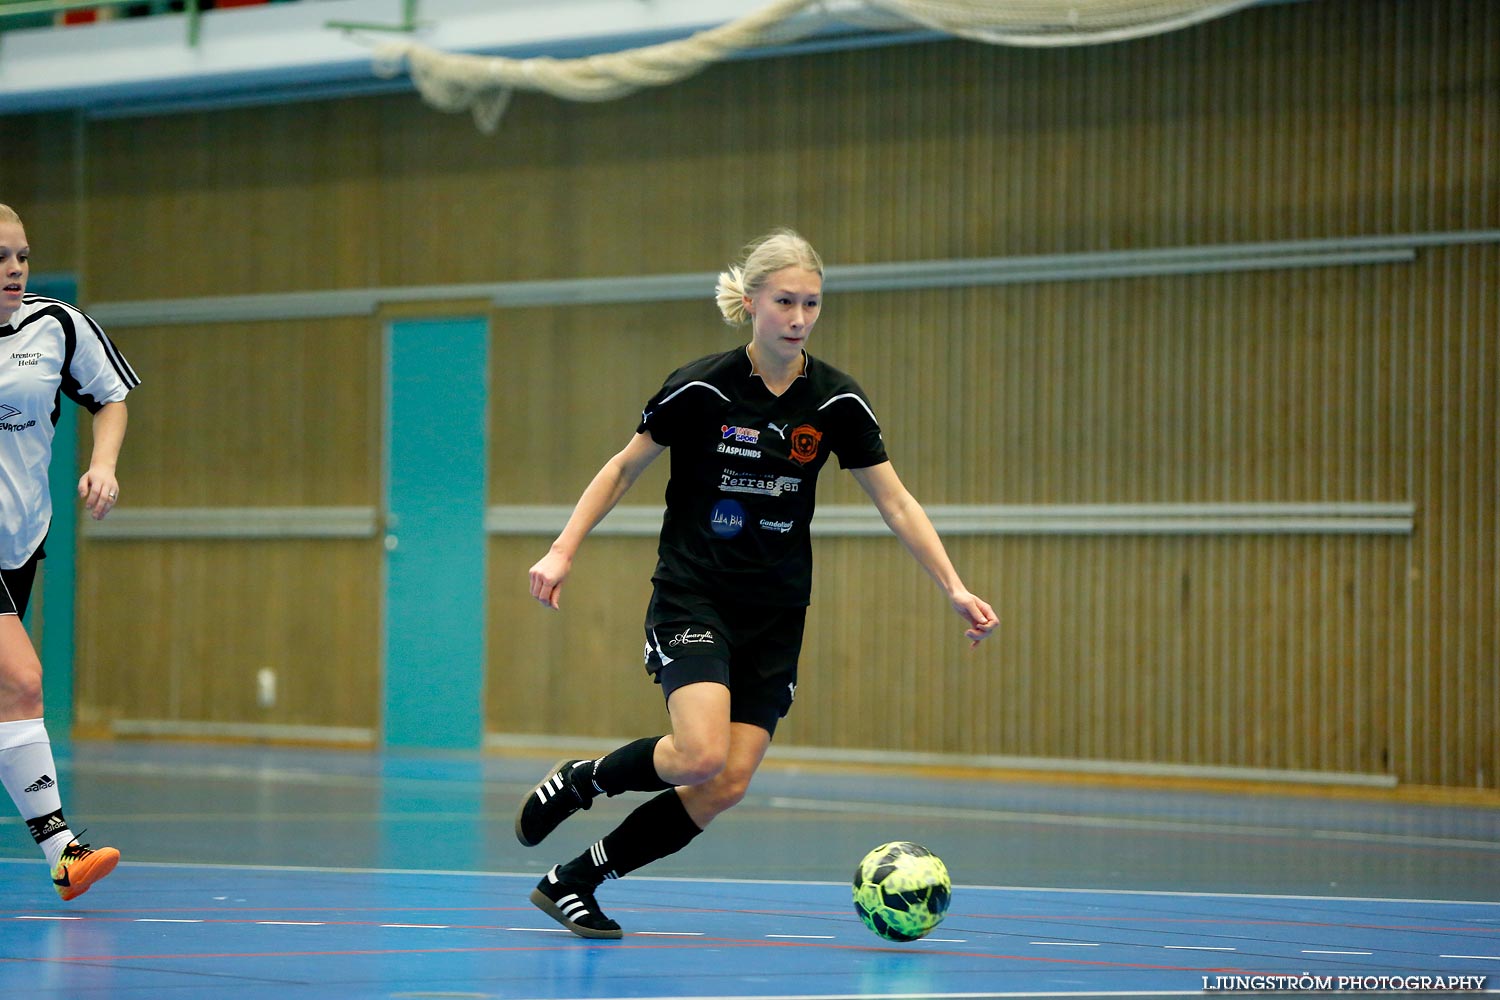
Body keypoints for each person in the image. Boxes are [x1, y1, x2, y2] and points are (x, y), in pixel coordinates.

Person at [517, 228, 997, 939]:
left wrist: (953, 585)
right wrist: (562, 551)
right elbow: (622, 468)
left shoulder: (836, 403)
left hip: (775, 613)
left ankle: (574, 880)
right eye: (784, 302)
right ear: (750, 304)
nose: (799, 317)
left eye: (811, 304)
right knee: (699, 752)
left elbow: (896, 501)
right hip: (694, 594)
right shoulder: (701, 387)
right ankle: (584, 779)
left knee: (724, 784)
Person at [0, 202, 140, 900]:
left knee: (6, 693)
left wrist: (104, 463)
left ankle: (61, 854)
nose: (15, 268)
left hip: (20, 543)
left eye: (22, 254)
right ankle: (62, 850)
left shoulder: (54, 323)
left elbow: (111, 396)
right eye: (0, 256)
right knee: (22, 680)